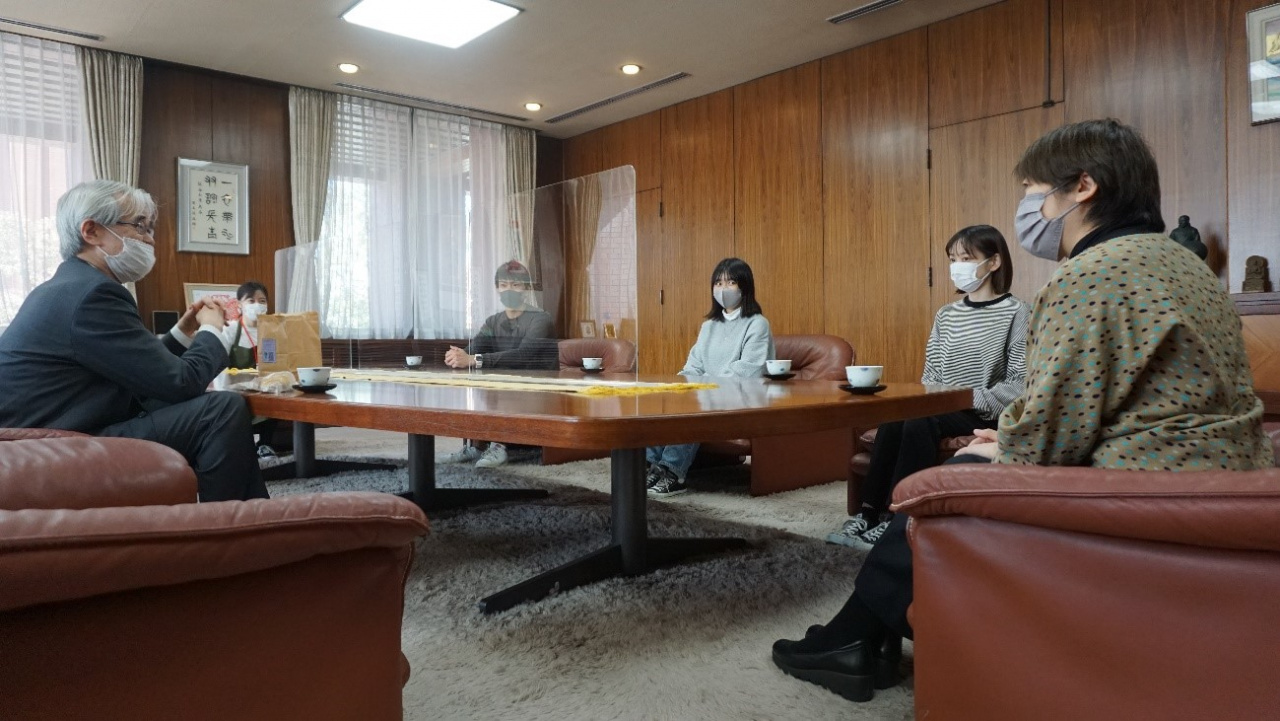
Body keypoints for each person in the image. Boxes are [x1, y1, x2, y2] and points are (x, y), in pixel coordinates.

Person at [771, 119, 1275, 703]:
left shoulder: (1092, 273)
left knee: (947, 482)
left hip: (1146, 482)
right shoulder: (1185, 266)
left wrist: (1003, 442)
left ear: (1082, 186)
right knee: (966, 451)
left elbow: (1047, 435)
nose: (1028, 209)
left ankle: (849, 639)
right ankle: (865, 637)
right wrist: (1008, 437)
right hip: (1223, 476)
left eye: (1034, 190)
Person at [0, 179, 268, 502]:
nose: (149, 239)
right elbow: (181, 383)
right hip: (58, 442)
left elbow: (142, 373)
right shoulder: (94, 294)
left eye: (150, 229)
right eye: (139, 226)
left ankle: (250, 517)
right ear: (91, 231)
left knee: (206, 406)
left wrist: (181, 334)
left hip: (46, 433)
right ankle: (232, 523)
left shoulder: (69, 286)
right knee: (221, 410)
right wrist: (212, 329)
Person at [827, 226, 1028, 549]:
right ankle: (868, 513)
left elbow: (1019, 383)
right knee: (897, 415)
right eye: (953, 259)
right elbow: (931, 373)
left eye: (966, 258)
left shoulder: (1018, 312)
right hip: (940, 405)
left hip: (981, 413)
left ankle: (897, 519)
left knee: (919, 420)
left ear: (993, 262)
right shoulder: (946, 315)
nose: (957, 266)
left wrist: (963, 397)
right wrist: (931, 398)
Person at [646, 257, 774, 497]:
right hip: (707, 395)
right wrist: (678, 388)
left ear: (744, 286)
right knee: (662, 401)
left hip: (740, 399)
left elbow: (749, 370)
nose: (723, 289)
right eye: (718, 283)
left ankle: (673, 473)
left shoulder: (758, 324)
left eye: (731, 282)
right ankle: (650, 466)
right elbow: (693, 366)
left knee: (694, 409)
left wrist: (705, 387)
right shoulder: (709, 326)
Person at [442, 260, 557, 468]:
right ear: (497, 289)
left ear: (526, 288)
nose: (509, 290)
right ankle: (477, 445)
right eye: (503, 285)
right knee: (478, 386)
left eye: (515, 285)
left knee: (502, 387)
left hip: (539, 392)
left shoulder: (541, 319)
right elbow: (475, 346)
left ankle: (499, 446)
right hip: (505, 388)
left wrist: (475, 359)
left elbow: (523, 355)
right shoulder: (493, 322)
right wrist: (458, 355)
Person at [222, 280, 280, 458]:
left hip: (266, 387)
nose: (257, 305)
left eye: (262, 301)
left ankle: (265, 443)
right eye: (251, 301)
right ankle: (244, 446)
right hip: (237, 388)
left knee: (279, 396)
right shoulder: (230, 330)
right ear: (239, 305)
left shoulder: (273, 330)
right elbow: (219, 364)